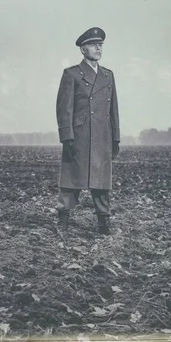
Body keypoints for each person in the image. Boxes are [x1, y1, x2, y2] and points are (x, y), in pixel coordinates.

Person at [55, 27, 120, 235]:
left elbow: (114, 110)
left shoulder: (108, 75)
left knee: (102, 183)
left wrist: (116, 137)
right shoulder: (71, 74)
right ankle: (63, 221)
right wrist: (67, 136)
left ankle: (103, 223)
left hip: (102, 136)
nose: (98, 47)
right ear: (83, 50)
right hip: (79, 138)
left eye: (100, 44)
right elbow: (64, 108)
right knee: (71, 181)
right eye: (93, 44)